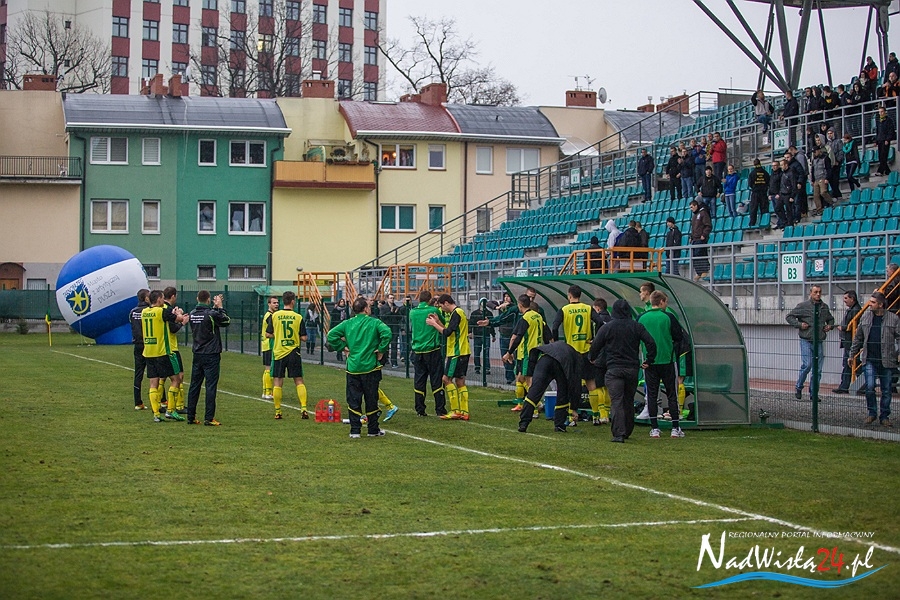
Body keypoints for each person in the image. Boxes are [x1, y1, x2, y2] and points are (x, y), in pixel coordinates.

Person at [589, 299, 657, 443]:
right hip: (632, 369)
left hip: (614, 369)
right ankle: (627, 430)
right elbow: (651, 342)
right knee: (628, 400)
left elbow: (596, 344)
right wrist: (649, 360)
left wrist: (592, 358)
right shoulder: (636, 326)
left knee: (617, 401)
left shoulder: (608, 327)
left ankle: (618, 433)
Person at [326, 297, 393, 438]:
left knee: (353, 400)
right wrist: (381, 349)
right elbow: (387, 333)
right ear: (366, 309)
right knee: (371, 399)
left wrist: (343, 347)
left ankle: (355, 430)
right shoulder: (374, 322)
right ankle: (372, 430)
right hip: (370, 367)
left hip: (353, 367)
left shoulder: (348, 323)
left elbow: (331, 335)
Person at [550, 285, 608, 425]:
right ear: (580, 295)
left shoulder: (564, 309)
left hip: (571, 352)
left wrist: (557, 343)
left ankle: (572, 417)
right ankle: (596, 417)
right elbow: (600, 322)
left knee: (572, 385)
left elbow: (555, 327)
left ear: (569, 295)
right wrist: (595, 338)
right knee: (591, 384)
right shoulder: (588, 308)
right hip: (586, 351)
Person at [638, 291, 686, 438]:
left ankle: (654, 429)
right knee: (672, 394)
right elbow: (679, 337)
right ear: (661, 302)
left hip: (649, 362)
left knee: (652, 395)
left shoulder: (641, 317)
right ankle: (675, 428)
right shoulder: (668, 317)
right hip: (667, 361)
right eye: (666, 302)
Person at [849, 291, 900, 428]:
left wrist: (898, 353)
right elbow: (858, 338)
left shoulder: (893, 319)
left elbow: (899, 337)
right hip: (869, 359)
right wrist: (852, 354)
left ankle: (884, 416)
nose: (869, 304)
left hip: (887, 359)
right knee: (870, 386)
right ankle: (872, 412)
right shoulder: (865, 317)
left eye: (872, 302)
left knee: (886, 390)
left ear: (880, 304)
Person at [141, 290, 188, 422]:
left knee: (153, 383)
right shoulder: (162, 311)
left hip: (149, 352)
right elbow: (179, 319)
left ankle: (156, 414)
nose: (163, 301)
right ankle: (171, 410)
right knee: (176, 379)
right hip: (162, 352)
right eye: (162, 298)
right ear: (159, 299)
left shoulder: (144, 312)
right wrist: (180, 315)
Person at [497, 294, 549, 413]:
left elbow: (518, 337)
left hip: (527, 353)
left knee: (528, 381)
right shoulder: (538, 316)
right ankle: (530, 404)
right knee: (521, 378)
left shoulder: (525, 318)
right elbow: (547, 335)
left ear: (520, 305)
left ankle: (534, 410)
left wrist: (509, 352)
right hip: (537, 351)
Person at [517, 341, 584, 433]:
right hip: (560, 364)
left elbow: (533, 357)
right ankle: (559, 425)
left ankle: (523, 423)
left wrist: (531, 375)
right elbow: (575, 386)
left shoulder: (566, 350)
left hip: (545, 360)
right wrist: (574, 408)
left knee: (534, 392)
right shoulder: (576, 361)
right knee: (563, 393)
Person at [186, 291, 231, 426]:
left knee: (194, 385)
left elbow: (210, 320)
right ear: (208, 299)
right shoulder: (211, 314)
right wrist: (220, 307)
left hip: (197, 353)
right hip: (211, 354)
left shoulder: (193, 313)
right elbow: (225, 321)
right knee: (210, 386)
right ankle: (209, 417)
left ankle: (191, 416)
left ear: (197, 298)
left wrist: (215, 308)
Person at [427, 294, 472, 420]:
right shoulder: (459, 312)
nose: (442, 309)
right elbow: (451, 330)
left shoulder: (456, 313)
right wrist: (438, 322)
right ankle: (464, 412)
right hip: (463, 351)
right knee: (460, 381)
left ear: (446, 303)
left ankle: (455, 410)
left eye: (441, 306)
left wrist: (434, 324)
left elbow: (447, 333)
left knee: (446, 379)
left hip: (457, 352)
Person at [786, 285, 835, 400]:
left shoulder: (824, 307)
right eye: (815, 292)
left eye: (819, 292)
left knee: (818, 370)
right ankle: (799, 386)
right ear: (810, 293)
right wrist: (799, 325)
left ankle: (814, 393)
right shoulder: (803, 306)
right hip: (806, 339)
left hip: (819, 341)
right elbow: (789, 317)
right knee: (807, 365)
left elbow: (830, 319)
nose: (818, 294)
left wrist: (830, 326)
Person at [266, 291, 309, 420]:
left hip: (279, 352)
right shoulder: (298, 317)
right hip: (293, 352)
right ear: (292, 301)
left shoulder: (275, 316)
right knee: (299, 380)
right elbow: (304, 338)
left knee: (277, 382)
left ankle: (278, 411)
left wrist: (279, 335)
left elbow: (268, 334)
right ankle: (303, 408)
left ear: (283, 301)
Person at [408, 289, 448, 417]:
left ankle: (420, 409)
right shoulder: (433, 310)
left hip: (417, 350)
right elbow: (444, 323)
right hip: (432, 350)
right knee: (436, 379)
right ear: (430, 299)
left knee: (419, 380)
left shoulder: (412, 312)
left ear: (419, 299)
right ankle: (440, 409)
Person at [161, 287, 187, 417]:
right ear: (172, 296)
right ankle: (176, 407)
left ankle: (161, 404)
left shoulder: (161, 309)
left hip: (161, 347)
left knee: (161, 377)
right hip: (171, 348)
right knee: (178, 377)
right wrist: (182, 321)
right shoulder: (168, 310)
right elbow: (172, 328)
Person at [832, 290, 862, 394]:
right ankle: (857, 386)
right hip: (849, 341)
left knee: (851, 364)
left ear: (852, 299)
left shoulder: (855, 310)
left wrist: (843, 328)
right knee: (852, 364)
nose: (844, 300)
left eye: (846, 298)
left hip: (851, 341)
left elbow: (853, 325)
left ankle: (846, 386)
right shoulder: (853, 309)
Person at [129, 288, 150, 410]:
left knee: (138, 373)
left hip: (137, 344)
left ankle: (138, 402)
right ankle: (162, 401)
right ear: (146, 298)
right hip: (148, 344)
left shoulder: (133, 311)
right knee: (156, 373)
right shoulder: (149, 311)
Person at [469, 300, 495, 376]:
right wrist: (470, 332)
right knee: (477, 352)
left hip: (486, 334)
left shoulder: (489, 313)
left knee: (486, 352)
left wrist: (493, 335)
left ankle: (487, 368)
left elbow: (492, 324)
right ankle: (477, 367)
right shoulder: (474, 313)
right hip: (477, 334)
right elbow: (471, 323)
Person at [689, 199, 711, 281]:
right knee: (694, 256)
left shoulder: (703, 213)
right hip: (695, 239)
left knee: (700, 254)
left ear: (696, 206)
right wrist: (691, 237)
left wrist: (704, 235)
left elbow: (708, 225)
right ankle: (699, 272)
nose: (691, 209)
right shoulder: (695, 216)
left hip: (700, 238)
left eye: (692, 207)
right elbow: (694, 228)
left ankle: (704, 270)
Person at [260, 295, 278, 400]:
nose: (276, 304)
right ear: (269, 304)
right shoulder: (270, 316)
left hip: (266, 344)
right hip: (269, 344)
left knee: (267, 369)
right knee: (269, 369)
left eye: (277, 302)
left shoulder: (269, 315)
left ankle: (265, 391)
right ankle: (268, 392)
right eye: (274, 303)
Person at [809, 145, 834, 216]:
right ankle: (819, 209)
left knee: (823, 192)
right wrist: (812, 180)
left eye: (815, 151)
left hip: (823, 177)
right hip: (816, 179)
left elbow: (829, 169)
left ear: (819, 150)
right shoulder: (814, 160)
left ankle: (831, 202)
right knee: (815, 195)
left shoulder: (825, 158)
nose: (814, 153)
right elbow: (813, 170)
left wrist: (827, 178)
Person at [774, 158, 796, 229]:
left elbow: (794, 185)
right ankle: (785, 222)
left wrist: (792, 196)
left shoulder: (791, 173)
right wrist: (779, 193)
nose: (781, 167)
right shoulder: (783, 173)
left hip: (788, 194)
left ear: (786, 165)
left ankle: (790, 225)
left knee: (789, 210)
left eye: (782, 165)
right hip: (782, 194)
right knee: (777, 208)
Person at [747, 159, 770, 227]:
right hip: (763, 193)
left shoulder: (752, 173)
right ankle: (765, 222)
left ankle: (752, 223)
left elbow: (750, 183)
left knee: (754, 208)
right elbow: (768, 182)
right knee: (764, 208)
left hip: (755, 193)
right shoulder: (765, 173)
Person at [875, 104, 896, 177]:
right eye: (879, 112)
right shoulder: (878, 121)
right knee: (880, 156)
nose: (880, 113)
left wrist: (888, 139)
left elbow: (891, 131)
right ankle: (887, 171)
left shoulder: (889, 120)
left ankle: (880, 171)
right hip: (880, 140)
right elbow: (877, 131)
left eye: (882, 112)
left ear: (885, 112)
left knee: (883, 155)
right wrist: (876, 140)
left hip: (885, 140)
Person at [767, 160, 783, 228]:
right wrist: (769, 194)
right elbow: (770, 185)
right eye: (773, 166)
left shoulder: (781, 174)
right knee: (776, 210)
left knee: (779, 209)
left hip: (778, 195)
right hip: (772, 195)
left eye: (775, 165)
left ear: (778, 166)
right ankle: (779, 223)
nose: (774, 167)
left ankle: (782, 223)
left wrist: (779, 194)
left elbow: (782, 185)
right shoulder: (772, 174)